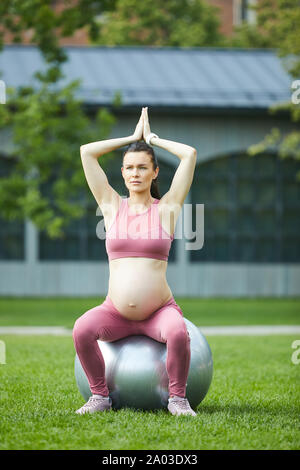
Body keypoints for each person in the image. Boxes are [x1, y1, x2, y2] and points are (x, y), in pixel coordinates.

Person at [73, 107, 197, 416]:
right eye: (129, 168)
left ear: (155, 172)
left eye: (142, 167)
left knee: (179, 332)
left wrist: (153, 139)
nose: (135, 174)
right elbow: (87, 153)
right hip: (115, 312)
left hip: (158, 312)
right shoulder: (112, 206)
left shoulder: (167, 208)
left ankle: (178, 399)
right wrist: (131, 137)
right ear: (122, 173)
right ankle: (100, 397)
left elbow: (190, 154)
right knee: (81, 329)